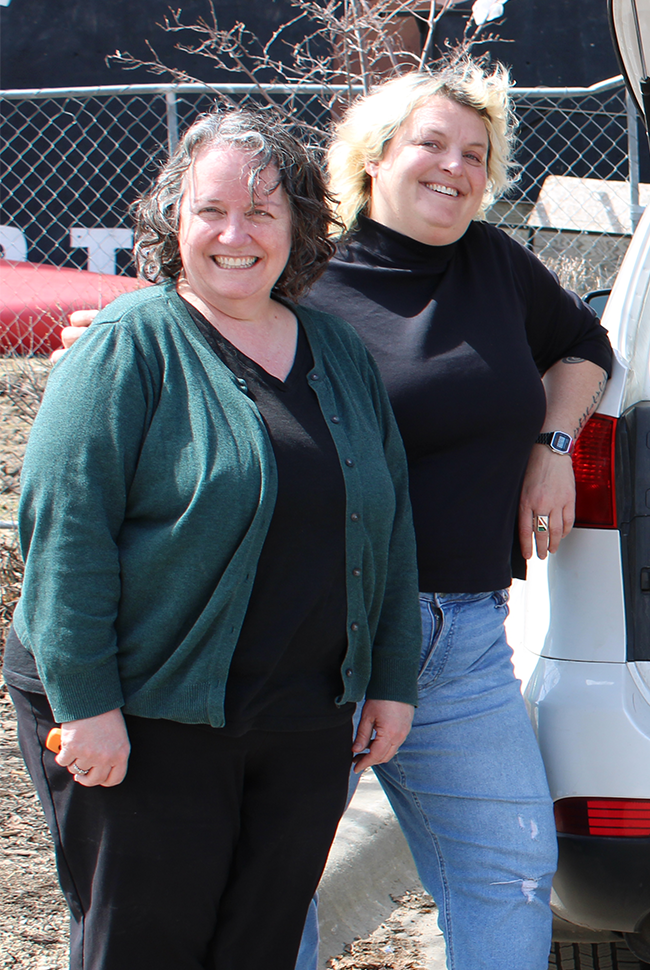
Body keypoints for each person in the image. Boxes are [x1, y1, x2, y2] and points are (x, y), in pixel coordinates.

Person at [3, 108, 418, 969]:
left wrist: (388, 679)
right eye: (212, 211)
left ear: (299, 225)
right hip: (149, 715)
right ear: (172, 221)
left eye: (263, 212)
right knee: (144, 946)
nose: (237, 234)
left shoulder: (336, 351)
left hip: (302, 720)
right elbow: (63, 532)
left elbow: (387, 527)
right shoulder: (127, 346)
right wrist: (87, 706)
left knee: (259, 947)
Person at [294, 58, 615, 969]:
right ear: (373, 156)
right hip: (323, 634)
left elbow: (584, 346)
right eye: (430, 143)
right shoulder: (303, 278)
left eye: (476, 153)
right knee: (278, 882)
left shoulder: (496, 265)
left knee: (510, 870)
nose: (455, 167)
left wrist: (552, 451)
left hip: (465, 635)